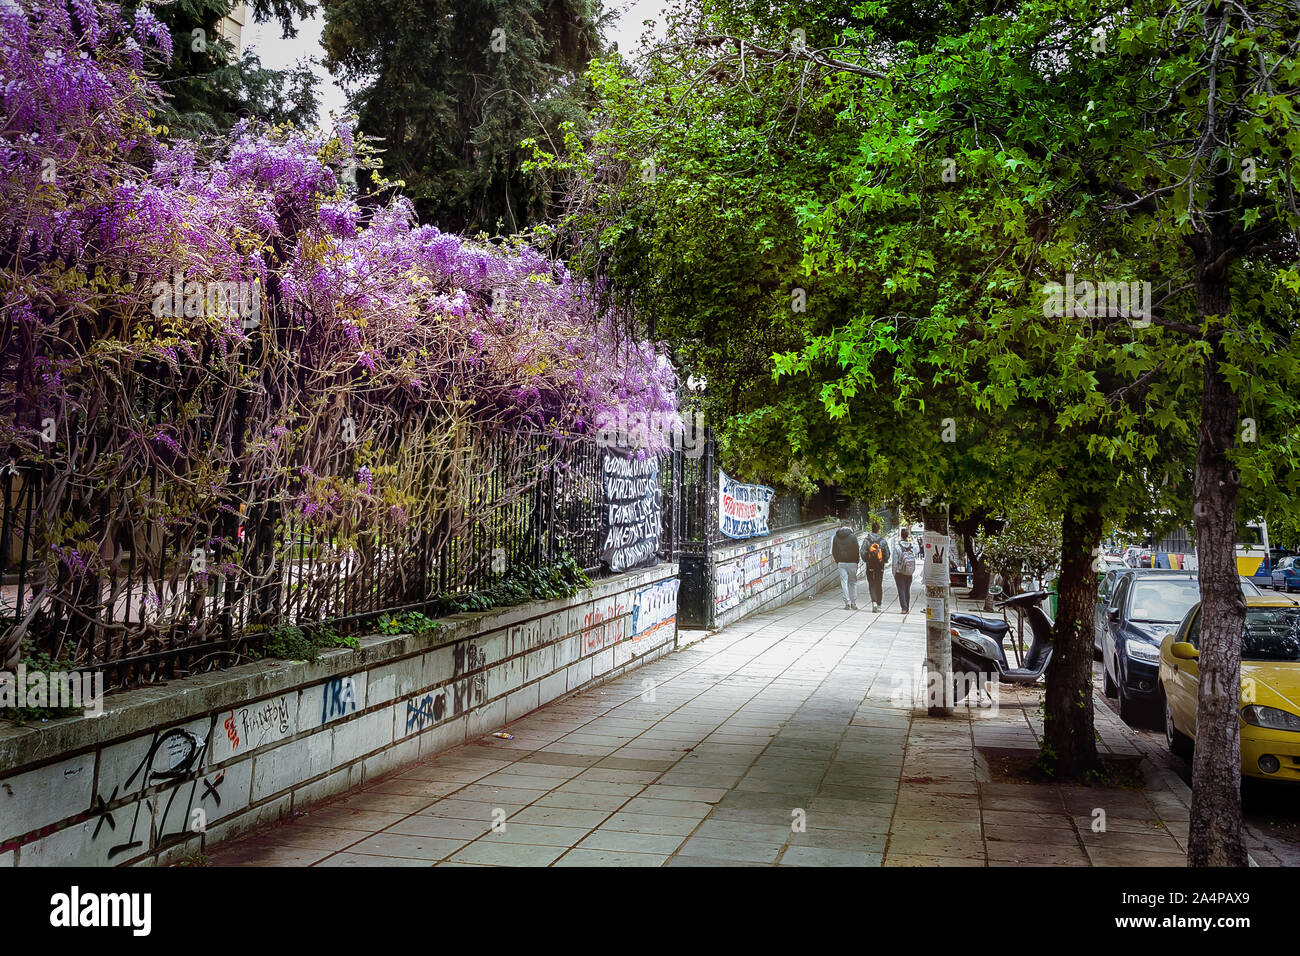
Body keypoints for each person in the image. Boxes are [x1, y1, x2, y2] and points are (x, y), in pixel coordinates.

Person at [861, 521, 890, 612]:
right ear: (879, 530)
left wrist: (866, 560)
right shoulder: (883, 541)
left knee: (871, 584)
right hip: (880, 565)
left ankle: (873, 602)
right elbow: (887, 553)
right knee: (879, 584)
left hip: (870, 564)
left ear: (872, 529)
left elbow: (862, 552)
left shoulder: (867, 540)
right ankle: (879, 604)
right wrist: (884, 560)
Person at [832, 521, 861, 610]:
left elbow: (834, 551)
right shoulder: (853, 537)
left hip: (841, 562)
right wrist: (856, 561)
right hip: (852, 562)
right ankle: (853, 603)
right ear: (849, 526)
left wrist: (838, 561)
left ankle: (846, 602)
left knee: (844, 582)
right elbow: (857, 550)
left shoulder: (836, 537)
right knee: (853, 582)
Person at [894, 526, 918, 613]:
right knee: (907, 589)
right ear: (907, 536)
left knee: (901, 589)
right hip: (909, 571)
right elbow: (917, 551)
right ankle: (907, 607)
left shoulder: (897, 547)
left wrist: (894, 572)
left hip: (899, 571)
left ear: (900, 535)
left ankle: (904, 608)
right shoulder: (912, 546)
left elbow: (894, 562)